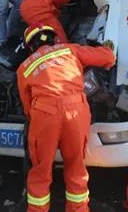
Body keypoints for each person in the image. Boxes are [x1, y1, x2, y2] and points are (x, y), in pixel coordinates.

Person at [17, 24, 116, 212]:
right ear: (54, 38)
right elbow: (108, 58)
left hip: (44, 113)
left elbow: (27, 105)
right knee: (76, 165)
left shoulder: (24, 67)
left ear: (30, 46)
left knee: (40, 170)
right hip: (76, 110)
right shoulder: (70, 50)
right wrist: (108, 47)